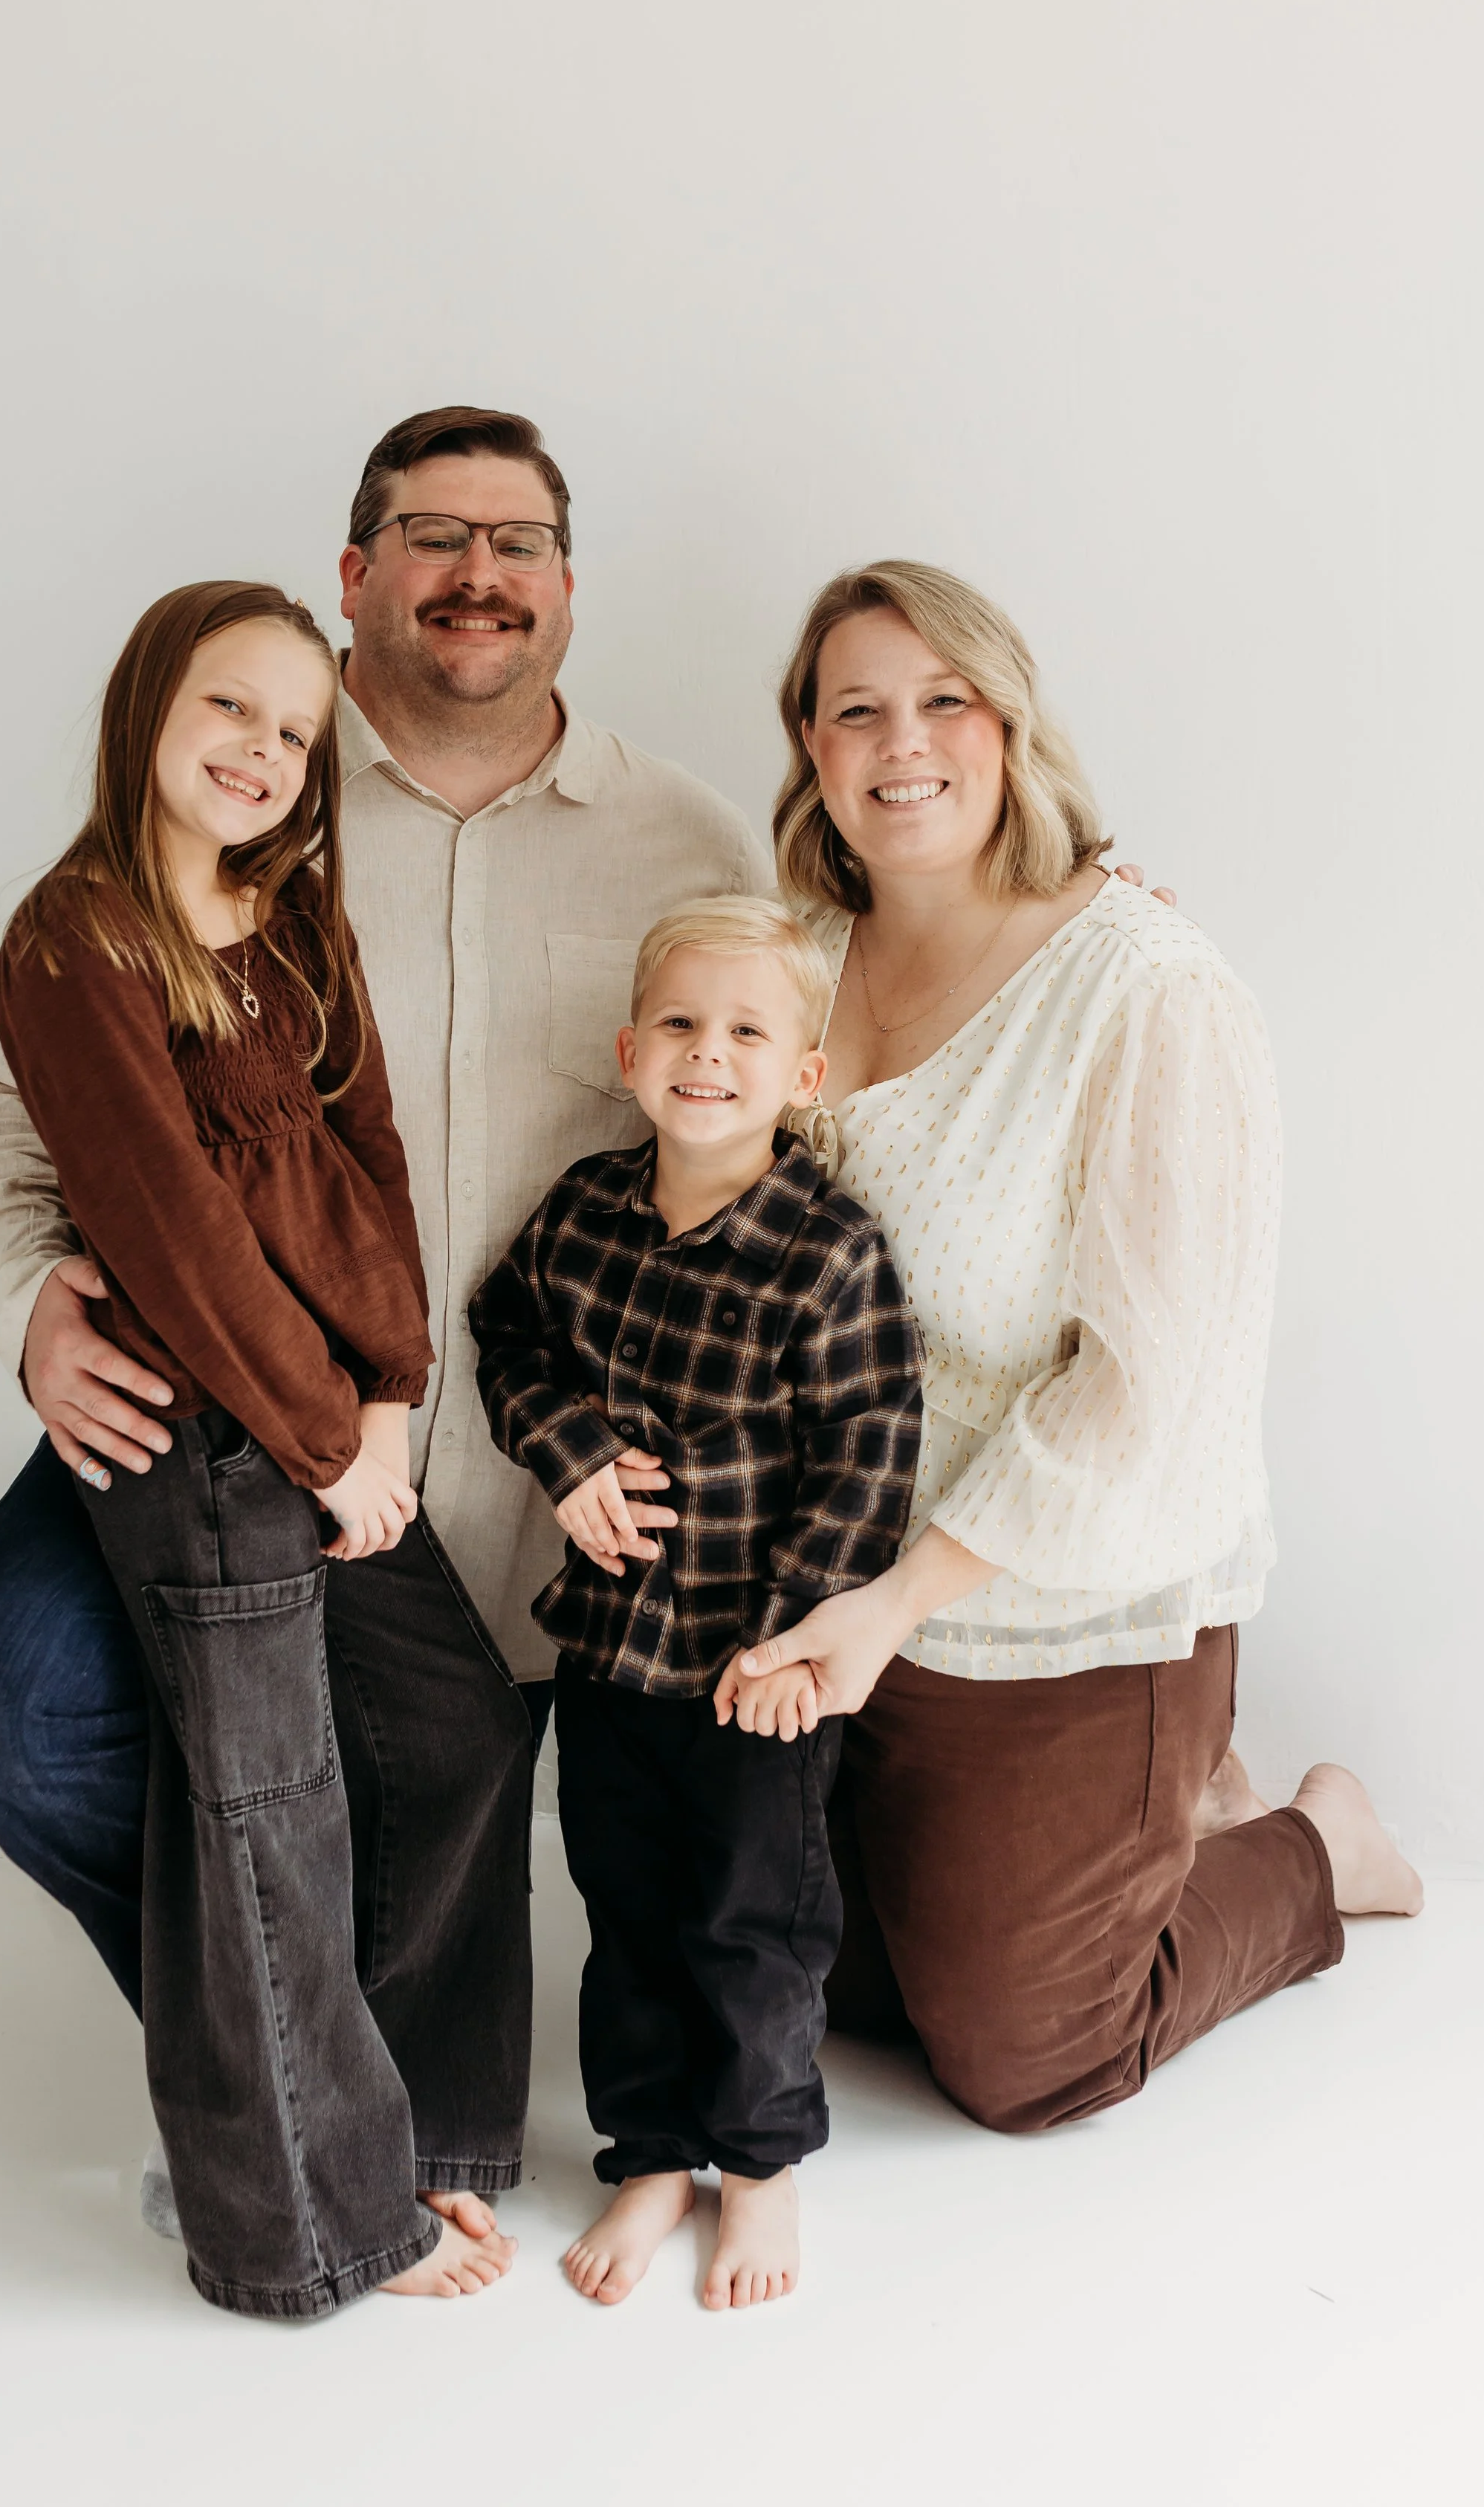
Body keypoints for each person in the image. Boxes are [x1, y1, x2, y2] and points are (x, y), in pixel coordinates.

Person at [0, 409, 762, 2216]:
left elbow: (817, 1052)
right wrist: (27, 1305)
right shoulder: (238, 809)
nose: (478, 574)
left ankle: (332, 2077)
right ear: (355, 574)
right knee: (12, 1696)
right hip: (221, 1415)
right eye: (430, 535)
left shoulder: (681, 833)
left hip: (538, 1468)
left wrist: (1070, 895)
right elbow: (4, 1101)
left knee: (513, 1789)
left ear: (563, 584)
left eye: (518, 541)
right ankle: (268, 2039)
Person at [712, 561, 1422, 2136]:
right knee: (806, 1995)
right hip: (836, 1577)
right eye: (856, 711)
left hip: (1046, 1595)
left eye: (942, 701)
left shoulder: (1145, 992)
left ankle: (1307, 1844)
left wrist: (896, 1604)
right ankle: (1148, 1828)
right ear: (809, 753)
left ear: (1010, 725)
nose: (903, 745)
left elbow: (1151, 1395)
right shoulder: (789, 966)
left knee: (1024, 2060)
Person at [0, 576, 532, 2315]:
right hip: (207, 1441)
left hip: (329, 1424)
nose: (260, 753)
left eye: (294, 733)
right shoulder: (76, 942)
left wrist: (388, 1400)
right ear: (150, 701)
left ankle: (421, 2130)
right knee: (264, 1816)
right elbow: (172, 1241)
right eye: (230, 707)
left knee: (448, 1724)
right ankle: (314, 2229)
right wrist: (321, 1446)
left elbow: (371, 1159)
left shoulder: (291, 922)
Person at [470, 896, 921, 2309]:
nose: (705, 1052)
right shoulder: (585, 1213)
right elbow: (504, 1336)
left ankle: (762, 2164)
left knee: (752, 1924)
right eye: (677, 1021)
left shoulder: (829, 1253)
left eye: (744, 1029)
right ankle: (654, 2146)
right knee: (628, 1906)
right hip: (609, 1656)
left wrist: (798, 1638)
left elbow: (868, 1454)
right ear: (626, 1049)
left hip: (754, 1674)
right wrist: (569, 1452)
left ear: (805, 1073)